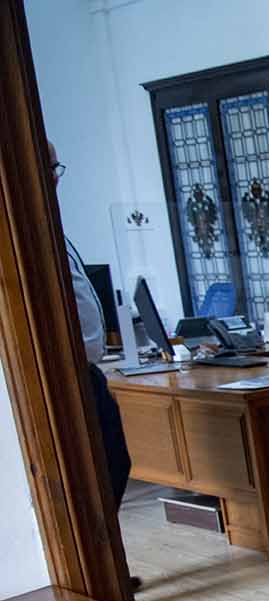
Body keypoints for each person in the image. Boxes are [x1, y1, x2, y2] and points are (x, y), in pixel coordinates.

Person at [49, 142, 135, 525]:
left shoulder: (53, 224)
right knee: (97, 467)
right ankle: (103, 557)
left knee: (114, 461)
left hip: (87, 371)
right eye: (49, 167)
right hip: (64, 372)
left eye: (56, 167)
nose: (55, 176)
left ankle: (108, 554)